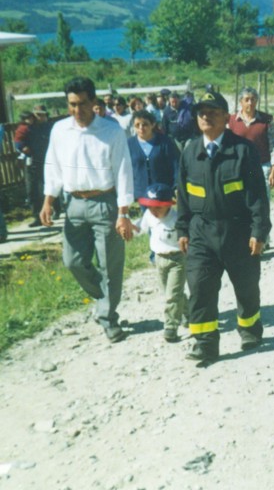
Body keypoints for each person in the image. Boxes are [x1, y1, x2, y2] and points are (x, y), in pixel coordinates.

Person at [176, 89, 271, 365]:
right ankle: (205, 344)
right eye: (201, 112)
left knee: (246, 286)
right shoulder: (190, 152)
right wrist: (182, 229)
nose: (205, 116)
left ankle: (250, 329)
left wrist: (259, 231)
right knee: (200, 287)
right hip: (201, 232)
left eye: (213, 112)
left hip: (238, 231)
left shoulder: (243, 151)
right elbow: (182, 194)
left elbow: (257, 196)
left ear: (226, 118)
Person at [41, 76, 135, 342]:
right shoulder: (60, 130)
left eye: (82, 103)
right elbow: (53, 166)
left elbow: (124, 172)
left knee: (110, 266)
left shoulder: (111, 131)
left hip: (105, 203)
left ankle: (108, 318)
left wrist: (123, 212)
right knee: (73, 261)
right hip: (74, 205)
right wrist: (49, 200)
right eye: (72, 104)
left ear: (94, 102)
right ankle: (103, 297)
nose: (77, 110)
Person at [134, 183, 188, 343]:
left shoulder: (176, 218)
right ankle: (190, 313)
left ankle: (170, 327)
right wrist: (129, 227)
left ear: (168, 205)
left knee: (172, 295)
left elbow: (187, 237)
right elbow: (140, 229)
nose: (154, 211)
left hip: (177, 259)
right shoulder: (149, 216)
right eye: (150, 207)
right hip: (159, 259)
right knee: (171, 293)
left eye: (158, 207)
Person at [228, 87, 274, 203]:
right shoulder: (231, 121)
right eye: (246, 100)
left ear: (257, 101)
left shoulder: (266, 120)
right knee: (241, 203)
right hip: (239, 168)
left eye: (253, 99)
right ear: (241, 102)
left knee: (262, 202)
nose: (250, 103)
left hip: (263, 167)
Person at [127, 110, 179, 204]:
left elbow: (175, 165)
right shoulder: (129, 144)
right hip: (141, 194)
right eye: (137, 125)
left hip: (163, 192)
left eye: (145, 124)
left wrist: (176, 186)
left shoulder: (165, 142)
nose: (141, 128)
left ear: (153, 124)